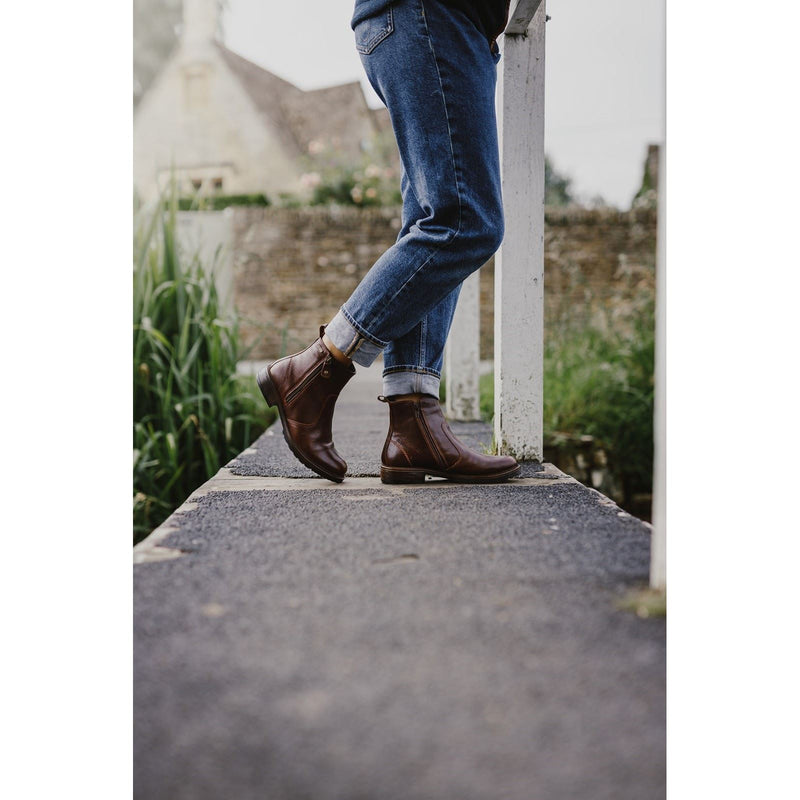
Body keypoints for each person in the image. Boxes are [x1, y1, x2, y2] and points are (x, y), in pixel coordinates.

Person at [257, 0, 520, 485]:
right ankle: (314, 370)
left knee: (433, 215)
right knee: (465, 221)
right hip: (433, 16)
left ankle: (414, 424)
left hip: (428, 22)